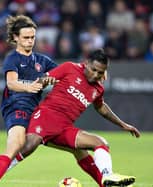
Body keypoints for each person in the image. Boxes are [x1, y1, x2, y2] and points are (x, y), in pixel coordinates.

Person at [0, 15, 106, 187]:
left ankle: (105, 183)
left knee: (78, 149)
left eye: (32, 37)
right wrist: (29, 87)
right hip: (17, 107)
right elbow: (12, 83)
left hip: (38, 112)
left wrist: (97, 71)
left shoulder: (42, 61)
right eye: (26, 38)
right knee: (17, 144)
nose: (30, 41)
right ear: (16, 38)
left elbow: (71, 73)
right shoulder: (12, 58)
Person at [16, 49, 140, 187]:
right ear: (86, 63)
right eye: (94, 70)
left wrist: (123, 124)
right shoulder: (70, 67)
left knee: (95, 145)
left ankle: (107, 177)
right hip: (45, 120)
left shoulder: (98, 89)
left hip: (63, 128)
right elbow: (40, 81)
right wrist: (44, 81)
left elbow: (101, 107)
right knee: (29, 146)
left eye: (100, 72)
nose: (96, 75)